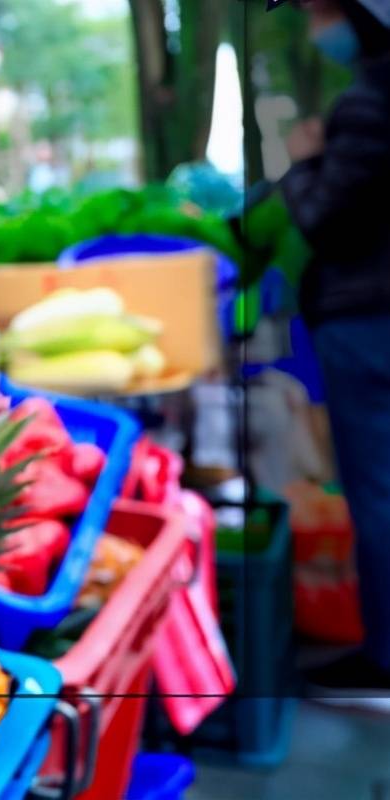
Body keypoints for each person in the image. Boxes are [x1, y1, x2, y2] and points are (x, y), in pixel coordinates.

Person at [280, 0, 390, 693]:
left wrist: (304, 162)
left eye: (322, 9)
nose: (316, 26)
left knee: (377, 493)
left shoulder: (370, 101)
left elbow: (325, 217)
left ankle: (383, 658)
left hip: (367, 320)